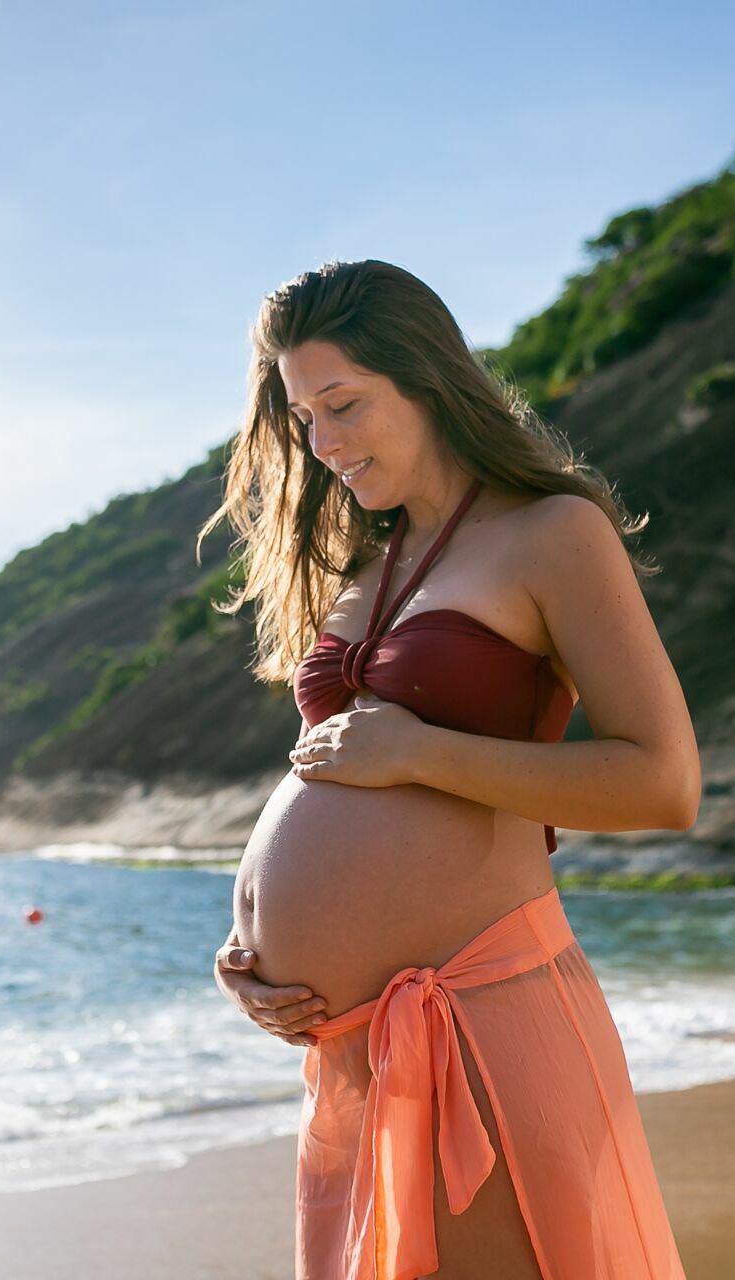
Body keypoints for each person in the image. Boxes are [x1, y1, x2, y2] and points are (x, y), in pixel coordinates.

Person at [202, 258, 698, 1280]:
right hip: (358, 1050)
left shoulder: (550, 533)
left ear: (426, 378)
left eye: (344, 404)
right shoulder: (363, 567)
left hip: (484, 1018)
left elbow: (663, 781)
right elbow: (339, 779)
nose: (325, 441)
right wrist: (253, 947)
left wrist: (422, 750)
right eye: (304, 417)